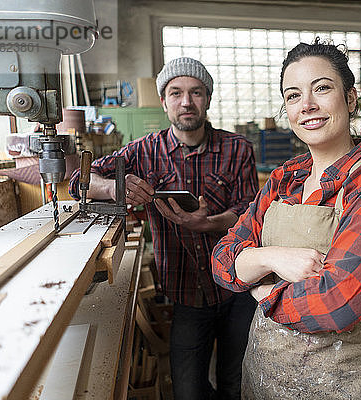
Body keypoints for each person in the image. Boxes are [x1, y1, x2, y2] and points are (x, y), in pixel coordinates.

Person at [211, 39, 361, 399]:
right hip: (262, 376)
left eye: (321, 88)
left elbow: (339, 301)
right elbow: (223, 260)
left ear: (350, 99)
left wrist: (263, 291)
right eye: (293, 96)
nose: (307, 106)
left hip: (341, 383)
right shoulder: (282, 180)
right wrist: (271, 257)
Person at [69, 57, 259, 400]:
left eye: (196, 92)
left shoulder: (237, 148)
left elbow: (248, 211)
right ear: (163, 101)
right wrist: (114, 188)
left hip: (238, 289)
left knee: (237, 385)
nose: (186, 102)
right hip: (186, 293)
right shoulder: (142, 152)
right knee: (187, 391)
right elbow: (78, 182)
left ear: (208, 98)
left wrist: (209, 224)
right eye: (176, 93)